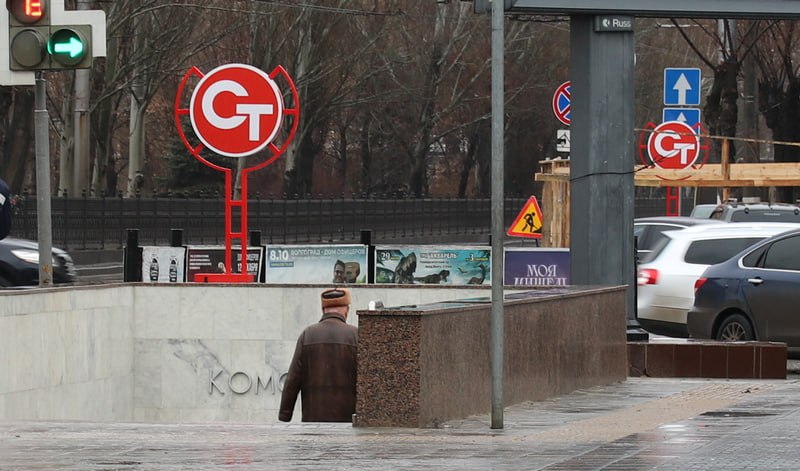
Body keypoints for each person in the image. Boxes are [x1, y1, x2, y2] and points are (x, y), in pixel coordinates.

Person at [279, 288, 358, 423]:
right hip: (347, 421)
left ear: (323, 310)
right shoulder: (356, 335)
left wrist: (285, 415)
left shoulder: (307, 334)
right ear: (347, 310)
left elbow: (292, 379)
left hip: (313, 420)